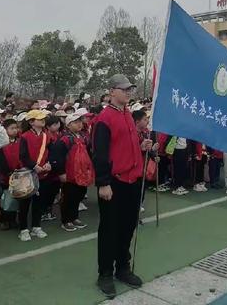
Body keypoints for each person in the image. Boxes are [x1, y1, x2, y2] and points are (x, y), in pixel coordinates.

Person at [92, 74, 152, 299]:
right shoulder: (104, 119)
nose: (128, 92)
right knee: (109, 229)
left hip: (133, 181)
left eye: (130, 89)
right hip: (114, 182)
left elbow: (125, 144)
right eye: (124, 89)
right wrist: (104, 183)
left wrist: (141, 144)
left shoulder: (127, 114)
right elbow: (100, 154)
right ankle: (105, 273)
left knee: (128, 226)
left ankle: (123, 268)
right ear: (112, 91)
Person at [50, 112, 94, 232]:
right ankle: (66, 220)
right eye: (75, 122)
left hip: (82, 173)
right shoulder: (65, 140)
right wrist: (61, 172)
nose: (79, 124)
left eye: (80, 121)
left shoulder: (83, 137)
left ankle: (74, 217)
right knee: (69, 197)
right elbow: (57, 157)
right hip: (70, 174)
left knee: (79, 195)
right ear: (68, 125)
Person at [18, 109, 52, 240]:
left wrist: (49, 163)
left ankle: (36, 226)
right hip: (27, 173)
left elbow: (51, 151)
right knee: (25, 203)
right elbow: (23, 156)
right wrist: (34, 166)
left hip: (43, 174)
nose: (42, 120)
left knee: (39, 202)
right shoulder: (25, 136)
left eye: (43, 118)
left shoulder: (46, 135)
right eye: (39, 118)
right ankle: (23, 229)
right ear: (31, 122)